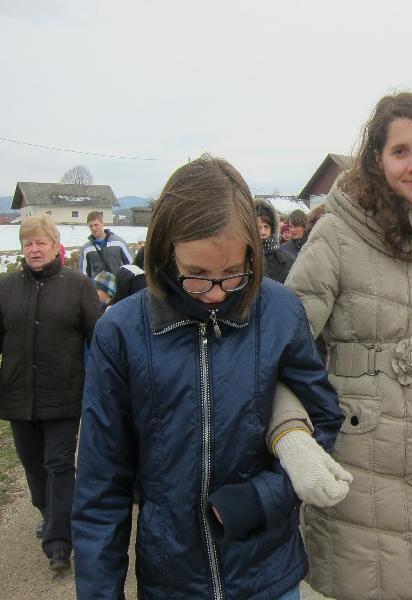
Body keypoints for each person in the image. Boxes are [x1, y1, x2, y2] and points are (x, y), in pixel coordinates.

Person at [71, 155, 351, 599]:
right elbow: (100, 486)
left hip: (269, 577)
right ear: (165, 252)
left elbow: (325, 420)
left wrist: (263, 497)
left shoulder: (279, 311)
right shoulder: (121, 332)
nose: (216, 294)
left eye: (232, 274)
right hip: (172, 581)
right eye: (197, 275)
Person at [282, 92, 412, 600]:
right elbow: (281, 351)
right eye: (400, 151)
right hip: (359, 470)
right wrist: (289, 435)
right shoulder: (335, 236)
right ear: (377, 160)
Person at [0, 215, 102, 572]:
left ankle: (59, 543)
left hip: (63, 394)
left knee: (58, 464)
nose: (34, 249)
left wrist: (105, 381)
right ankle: (50, 514)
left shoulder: (78, 285)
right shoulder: (6, 288)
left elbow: (98, 337)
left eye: (40, 242)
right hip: (18, 394)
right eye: (27, 243)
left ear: (55, 245)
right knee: (33, 465)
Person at [78, 211, 133, 278]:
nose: (93, 228)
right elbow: (84, 275)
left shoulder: (119, 242)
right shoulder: (86, 248)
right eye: (91, 226)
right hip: (96, 284)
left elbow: (131, 265)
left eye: (96, 225)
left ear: (102, 224)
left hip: (118, 283)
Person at [254, 197, 295, 283]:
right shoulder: (243, 259)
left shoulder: (286, 259)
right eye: (258, 227)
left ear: (273, 229)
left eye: (266, 227)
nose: (263, 232)